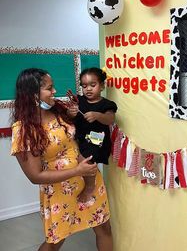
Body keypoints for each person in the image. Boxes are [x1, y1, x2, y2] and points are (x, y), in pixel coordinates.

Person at [11, 68, 113, 251]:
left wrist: (85, 173)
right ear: (34, 94)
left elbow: (76, 139)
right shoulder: (24, 130)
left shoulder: (58, 110)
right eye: (49, 88)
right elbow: (35, 176)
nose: (54, 91)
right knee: (56, 240)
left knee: (104, 227)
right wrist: (77, 171)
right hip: (60, 189)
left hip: (89, 180)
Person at [67, 67, 117, 203]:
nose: (88, 89)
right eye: (84, 86)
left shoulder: (107, 104)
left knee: (85, 158)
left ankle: (90, 186)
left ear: (102, 86)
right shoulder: (79, 101)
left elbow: (110, 119)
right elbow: (70, 117)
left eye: (92, 85)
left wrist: (98, 115)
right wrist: (70, 113)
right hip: (80, 136)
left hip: (97, 138)